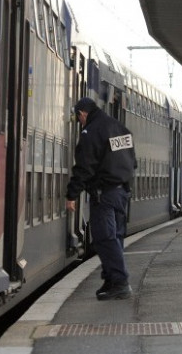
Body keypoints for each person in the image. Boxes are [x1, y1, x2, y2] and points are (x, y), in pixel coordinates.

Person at [66, 97, 136, 300]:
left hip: (104, 194)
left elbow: (84, 167)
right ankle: (111, 280)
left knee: (105, 238)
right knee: (115, 238)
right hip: (122, 192)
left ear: (82, 114)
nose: (80, 123)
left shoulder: (91, 132)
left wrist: (72, 194)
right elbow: (133, 162)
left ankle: (120, 282)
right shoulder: (121, 128)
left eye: (78, 119)